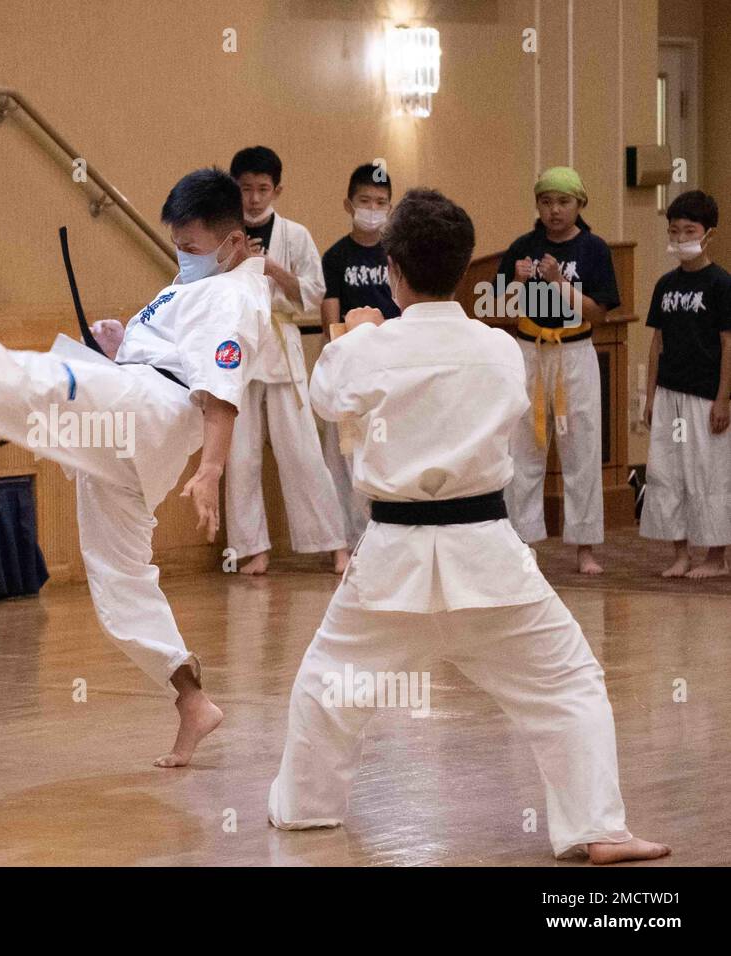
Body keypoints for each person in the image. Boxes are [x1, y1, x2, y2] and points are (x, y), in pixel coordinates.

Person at [267, 187, 669, 864]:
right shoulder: (498, 350)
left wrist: (357, 331)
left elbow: (326, 398)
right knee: (567, 685)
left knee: (328, 684)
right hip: (487, 557)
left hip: (392, 559)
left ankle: (305, 809)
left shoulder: (370, 348)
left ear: (392, 269)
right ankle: (598, 827)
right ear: (460, 270)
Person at [0, 168, 270, 767]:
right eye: (177, 244)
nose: (182, 256)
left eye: (193, 247)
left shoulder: (232, 295)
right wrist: (115, 347)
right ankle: (192, 701)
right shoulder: (201, 284)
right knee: (120, 579)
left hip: (151, 411)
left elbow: (221, 391)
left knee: (48, 383)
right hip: (134, 421)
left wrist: (209, 471)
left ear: (234, 242)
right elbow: (172, 353)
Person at [225, 146, 347, 575]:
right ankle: (251, 548)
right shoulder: (222, 232)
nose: (254, 199)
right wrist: (237, 263)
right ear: (233, 188)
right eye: (245, 189)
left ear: (277, 189)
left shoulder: (295, 235)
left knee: (302, 451)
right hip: (238, 349)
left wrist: (271, 268)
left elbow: (314, 293)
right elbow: (199, 289)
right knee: (240, 454)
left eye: (262, 189)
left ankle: (334, 542)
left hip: (282, 342)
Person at [497, 166, 619, 575]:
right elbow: (497, 306)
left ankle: (585, 547)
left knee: (581, 447)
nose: (554, 210)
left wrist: (558, 283)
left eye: (563, 202)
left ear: (580, 204)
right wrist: (514, 284)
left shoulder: (594, 249)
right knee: (524, 447)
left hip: (575, 351)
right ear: (537, 205)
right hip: (528, 350)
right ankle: (523, 542)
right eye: (546, 202)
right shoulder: (522, 246)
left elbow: (600, 313)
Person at [640, 189, 731, 578]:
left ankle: (715, 557)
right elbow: (656, 341)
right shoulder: (665, 284)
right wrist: (650, 394)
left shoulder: (721, 284)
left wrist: (723, 397)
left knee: (708, 473)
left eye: (688, 230)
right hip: (670, 395)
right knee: (668, 471)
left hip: (705, 395)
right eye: (674, 231)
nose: (680, 238)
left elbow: (729, 343)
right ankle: (680, 553)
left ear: (708, 233)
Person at [319, 163, 400, 546]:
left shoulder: (397, 254)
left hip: (392, 362)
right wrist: (337, 359)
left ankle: (384, 534)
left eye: (381, 202)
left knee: (387, 449)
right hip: (351, 363)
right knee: (343, 455)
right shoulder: (336, 256)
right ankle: (343, 543)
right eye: (365, 200)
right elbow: (330, 316)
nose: (373, 207)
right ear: (349, 204)